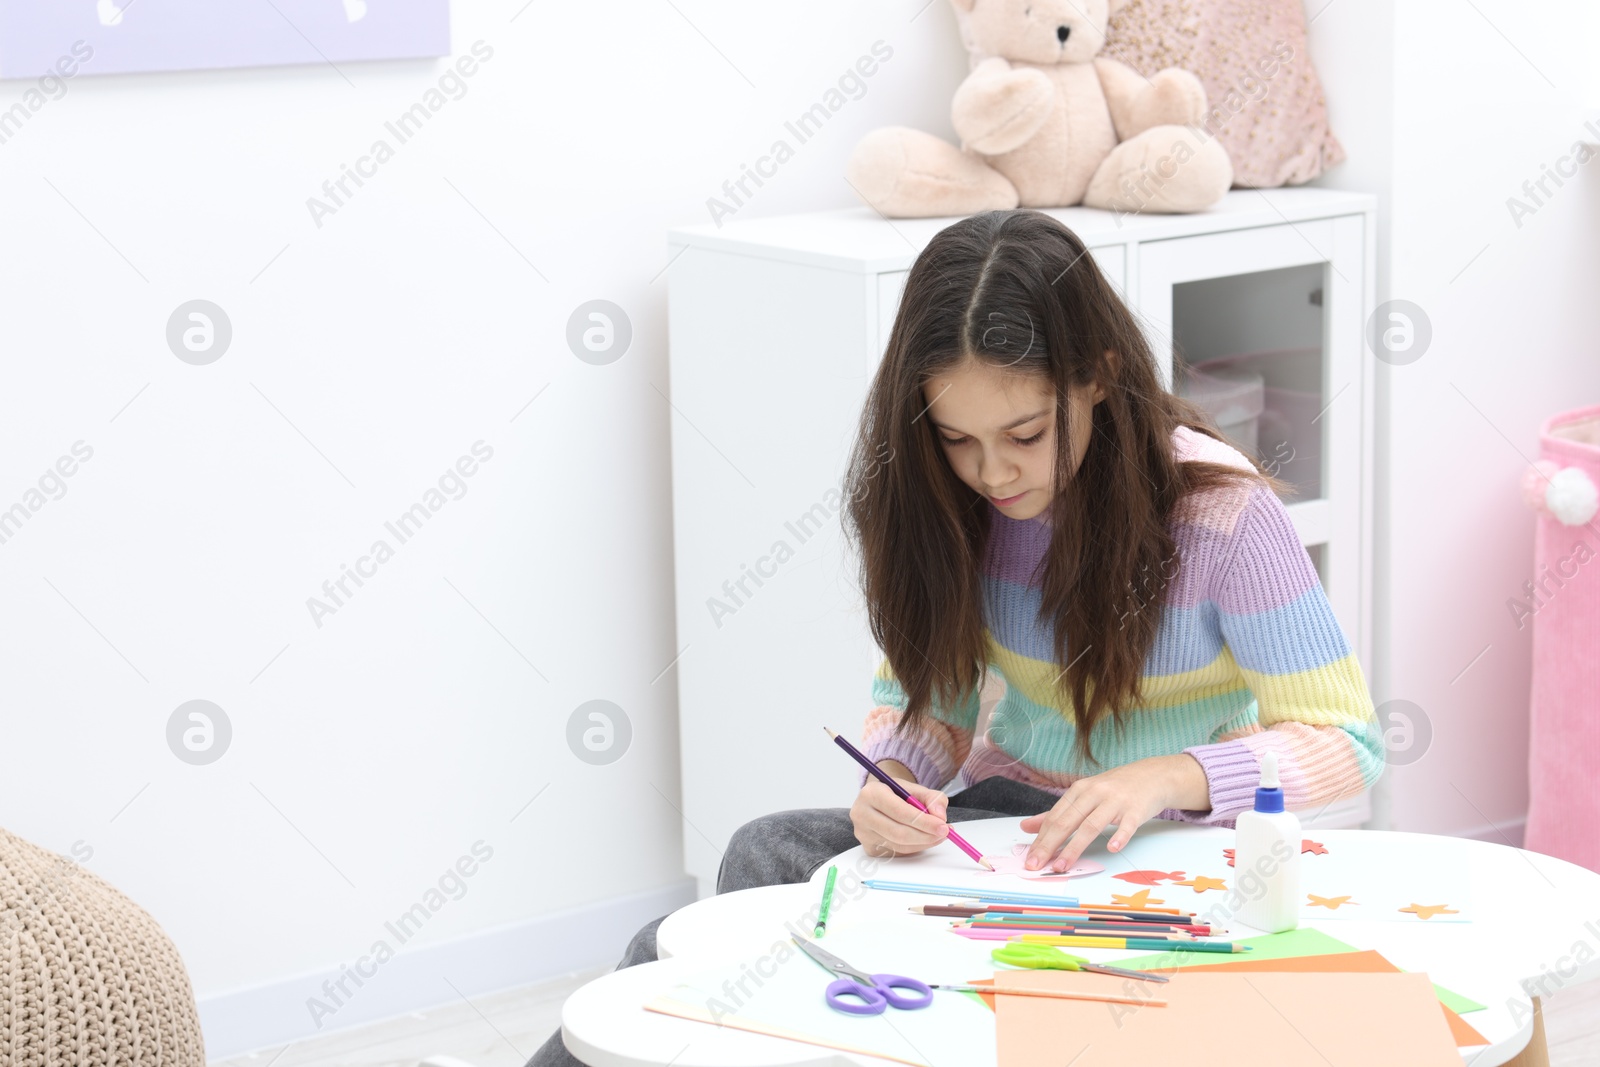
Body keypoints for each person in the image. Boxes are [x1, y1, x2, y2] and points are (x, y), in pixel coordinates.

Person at [526, 209, 1382, 1067]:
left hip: (1166, 857)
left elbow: (1346, 740)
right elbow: (925, 704)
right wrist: (896, 780)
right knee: (749, 868)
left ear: (1098, 376)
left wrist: (1168, 776)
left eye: (1025, 435)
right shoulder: (952, 503)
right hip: (1005, 830)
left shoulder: (1223, 516)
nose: (994, 472)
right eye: (957, 438)